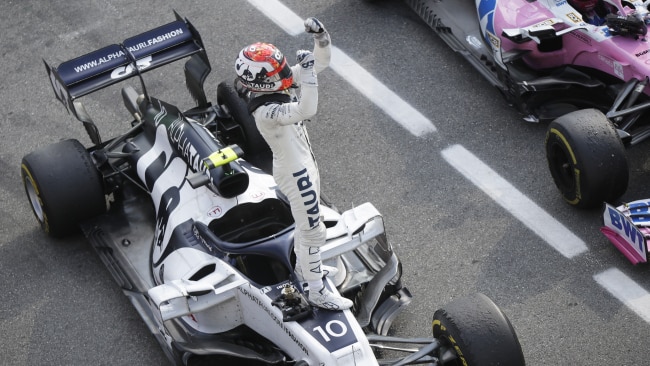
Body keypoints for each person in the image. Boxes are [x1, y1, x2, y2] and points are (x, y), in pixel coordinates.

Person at [234, 17, 353, 310]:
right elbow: (307, 108)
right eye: (278, 70)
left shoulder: (271, 84)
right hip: (296, 172)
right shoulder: (266, 111)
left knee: (306, 227)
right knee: (313, 230)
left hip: (303, 165)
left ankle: (306, 270)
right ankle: (316, 291)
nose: (285, 73)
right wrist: (309, 74)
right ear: (261, 80)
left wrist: (321, 39)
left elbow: (320, 64)